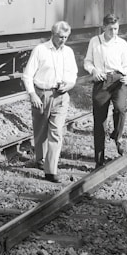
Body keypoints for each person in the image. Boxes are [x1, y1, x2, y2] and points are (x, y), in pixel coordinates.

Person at [21, 21, 77, 182]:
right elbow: (27, 75)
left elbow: (73, 74)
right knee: (40, 132)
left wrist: (69, 84)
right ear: (53, 34)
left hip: (61, 96)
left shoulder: (69, 52)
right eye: (60, 37)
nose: (63, 40)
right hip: (41, 95)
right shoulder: (40, 50)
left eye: (66, 37)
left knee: (56, 132)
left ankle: (51, 170)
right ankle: (40, 160)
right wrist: (32, 95)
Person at [83, 13, 127, 168]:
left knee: (120, 109)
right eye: (111, 29)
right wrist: (93, 71)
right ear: (104, 27)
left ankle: (117, 137)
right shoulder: (95, 41)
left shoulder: (122, 43)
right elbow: (87, 61)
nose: (114, 32)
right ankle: (99, 158)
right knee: (100, 120)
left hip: (118, 80)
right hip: (101, 81)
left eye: (116, 29)